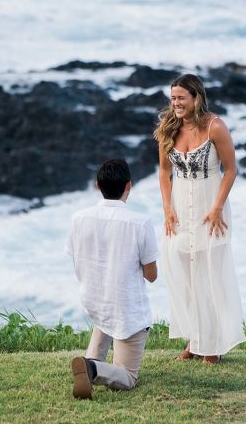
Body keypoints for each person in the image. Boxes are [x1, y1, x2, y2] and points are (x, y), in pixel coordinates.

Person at [154, 73, 245, 364]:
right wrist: (167, 207)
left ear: (196, 98)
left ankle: (212, 346)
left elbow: (230, 170)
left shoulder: (215, 127)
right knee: (183, 274)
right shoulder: (169, 129)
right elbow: (164, 172)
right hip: (179, 209)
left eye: (181, 98)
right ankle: (194, 341)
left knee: (208, 275)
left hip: (210, 208)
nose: (176, 103)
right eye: (173, 98)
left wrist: (218, 207)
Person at [66, 159, 158, 399]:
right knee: (127, 376)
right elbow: (152, 276)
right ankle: (92, 368)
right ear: (129, 186)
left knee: (107, 317)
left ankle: (88, 363)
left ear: (97, 186)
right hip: (125, 311)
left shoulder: (78, 218)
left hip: (94, 300)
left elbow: (76, 258)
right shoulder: (141, 222)